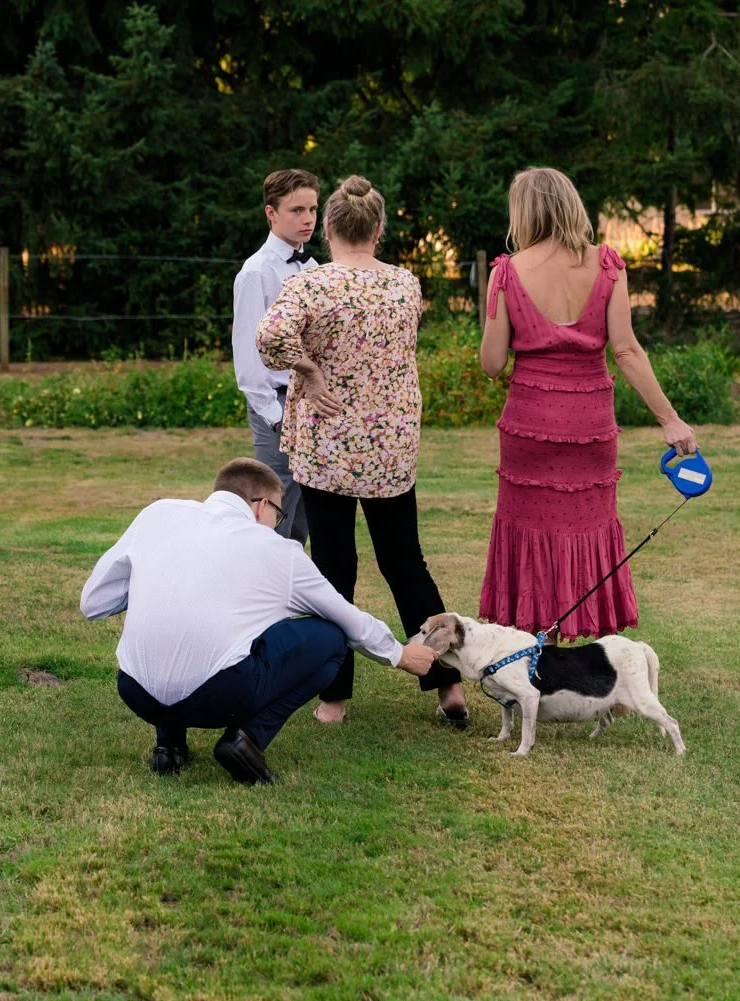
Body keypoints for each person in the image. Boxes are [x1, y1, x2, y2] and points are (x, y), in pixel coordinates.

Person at [255, 175, 469, 729]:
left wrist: (308, 368)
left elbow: (268, 337)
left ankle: (334, 698)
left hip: (327, 445)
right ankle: (447, 685)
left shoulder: (311, 285)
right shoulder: (404, 285)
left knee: (333, 569)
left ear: (327, 227)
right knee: (405, 563)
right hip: (389, 448)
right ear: (377, 229)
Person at [81, 458, 438, 784]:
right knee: (331, 639)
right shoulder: (278, 550)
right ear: (261, 506)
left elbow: (93, 603)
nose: (277, 526)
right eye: (278, 516)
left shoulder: (158, 514)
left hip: (135, 692)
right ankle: (246, 740)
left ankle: (169, 747)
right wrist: (400, 655)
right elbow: (347, 618)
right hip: (217, 697)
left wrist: (156, 581)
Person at [478, 167, 698, 640]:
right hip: (589, 425)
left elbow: (492, 363)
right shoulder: (607, 265)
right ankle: (590, 644)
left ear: (524, 213)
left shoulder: (506, 272)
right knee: (589, 528)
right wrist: (670, 419)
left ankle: (536, 643)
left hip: (529, 424)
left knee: (529, 528)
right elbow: (627, 351)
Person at [231, 169, 322, 544]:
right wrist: (275, 416)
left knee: (305, 512)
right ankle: (260, 577)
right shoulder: (257, 272)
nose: (308, 219)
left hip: (310, 401)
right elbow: (248, 357)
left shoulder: (313, 268)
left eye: (313, 209)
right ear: (271, 213)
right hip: (277, 404)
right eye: (296, 210)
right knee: (272, 509)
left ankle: (292, 576)